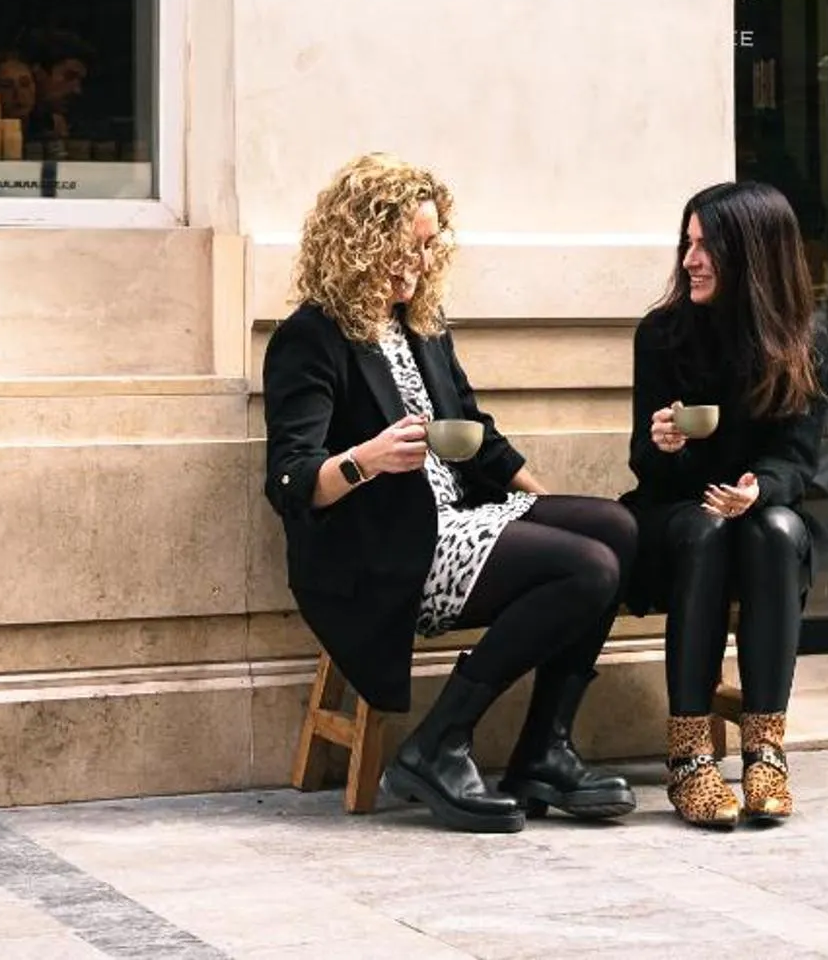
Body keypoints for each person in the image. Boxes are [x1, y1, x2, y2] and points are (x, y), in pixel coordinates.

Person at [262, 153, 639, 831]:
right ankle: (439, 743)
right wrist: (366, 460)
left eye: (429, 245)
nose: (419, 261)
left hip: (460, 520)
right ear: (362, 240)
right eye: (408, 245)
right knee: (589, 567)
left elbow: (478, 437)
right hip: (384, 550)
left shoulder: (423, 326)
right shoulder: (309, 339)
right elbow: (291, 482)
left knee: (614, 530)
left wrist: (546, 508)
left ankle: (541, 751)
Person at [622, 181, 828, 828]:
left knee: (772, 528)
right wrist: (664, 444)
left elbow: (796, 462)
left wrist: (757, 491)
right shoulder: (661, 335)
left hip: (754, 516)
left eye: (706, 246)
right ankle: (688, 754)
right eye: (686, 244)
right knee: (709, 528)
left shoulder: (806, 343)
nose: (689, 260)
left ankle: (764, 748)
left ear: (752, 254)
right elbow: (644, 463)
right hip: (673, 518)